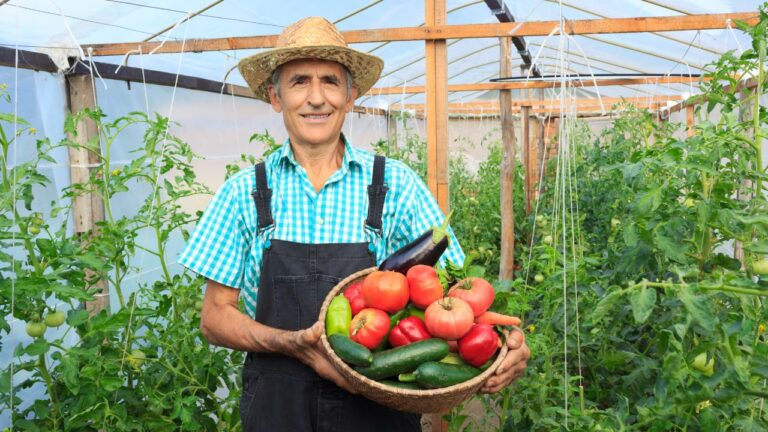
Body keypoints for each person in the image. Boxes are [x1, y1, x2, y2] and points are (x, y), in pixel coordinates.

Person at [179, 16, 530, 432]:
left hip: (376, 408)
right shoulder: (243, 193)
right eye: (298, 82)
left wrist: (500, 344)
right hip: (277, 408)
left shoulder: (395, 185)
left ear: (351, 96)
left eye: (330, 81)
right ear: (275, 96)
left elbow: (457, 292)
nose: (316, 98)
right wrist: (290, 343)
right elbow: (215, 317)